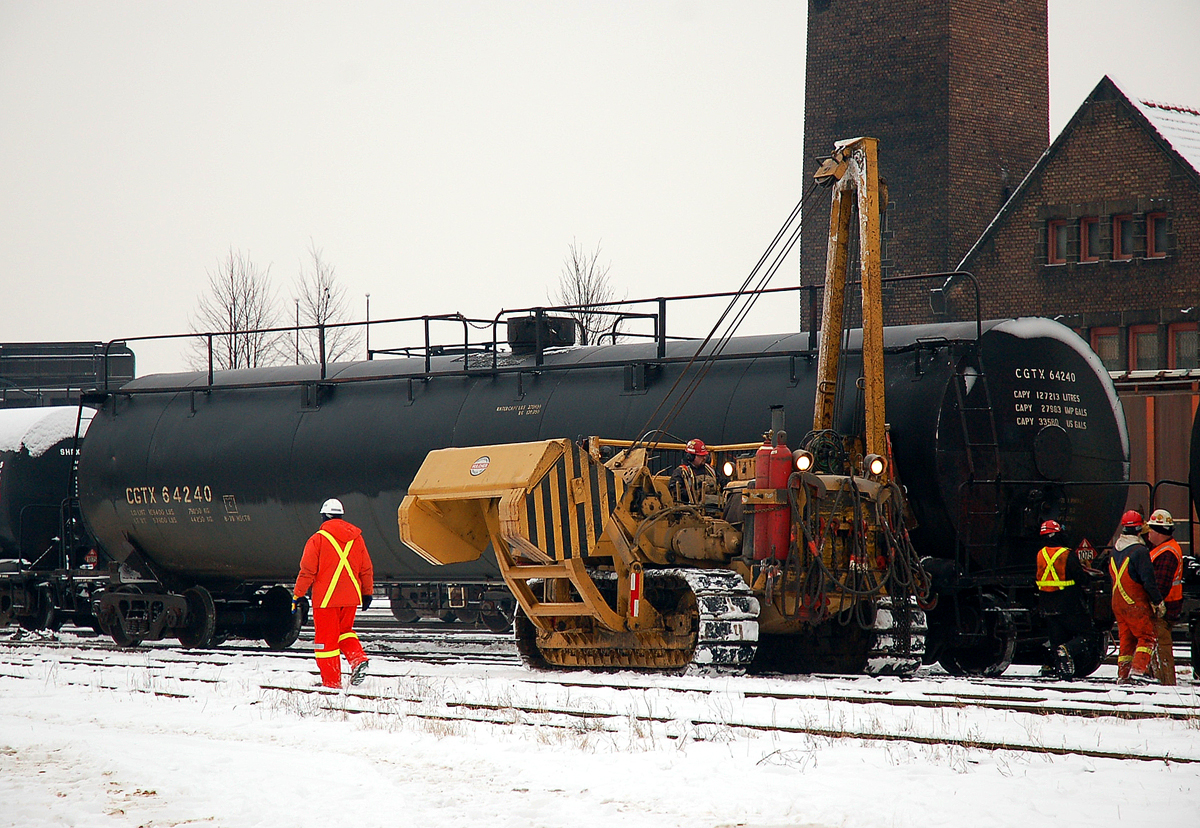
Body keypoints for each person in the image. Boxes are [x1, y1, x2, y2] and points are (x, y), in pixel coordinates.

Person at [293, 498, 374, 689]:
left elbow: (307, 571)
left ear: (323, 516)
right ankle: (358, 658)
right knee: (345, 632)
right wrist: (367, 593)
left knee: (326, 641)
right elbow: (366, 569)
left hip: (326, 599)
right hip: (351, 597)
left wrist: (298, 594)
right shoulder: (357, 538)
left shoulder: (318, 539)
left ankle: (331, 683)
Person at [1108, 510, 1165, 685]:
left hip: (1118, 601)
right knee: (1148, 636)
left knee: (1127, 639)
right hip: (1134, 601)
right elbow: (1148, 580)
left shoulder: (1115, 550)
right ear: (1140, 528)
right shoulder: (1139, 551)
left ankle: (1123, 674)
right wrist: (1157, 601)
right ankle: (1138, 672)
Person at [1034, 519, 1091, 679]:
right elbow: (1079, 577)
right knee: (1086, 635)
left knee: (1057, 640)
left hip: (1047, 605)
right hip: (1068, 603)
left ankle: (1061, 672)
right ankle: (1068, 650)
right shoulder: (1066, 553)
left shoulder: (1041, 554)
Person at [1146, 509, 1184, 686]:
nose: (1149, 533)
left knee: (1162, 648)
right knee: (1157, 648)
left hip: (1164, 608)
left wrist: (1153, 603)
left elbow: (1160, 585)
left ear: (1158, 532)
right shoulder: (1162, 549)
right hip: (1166, 605)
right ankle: (1160, 681)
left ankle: (1167, 684)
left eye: (1151, 530)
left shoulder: (1166, 553)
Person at [668, 438, 718, 506]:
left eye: (705, 455)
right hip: (692, 509)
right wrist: (694, 494)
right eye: (700, 456)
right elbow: (674, 491)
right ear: (691, 456)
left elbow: (721, 483)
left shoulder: (711, 470)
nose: (704, 458)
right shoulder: (681, 472)